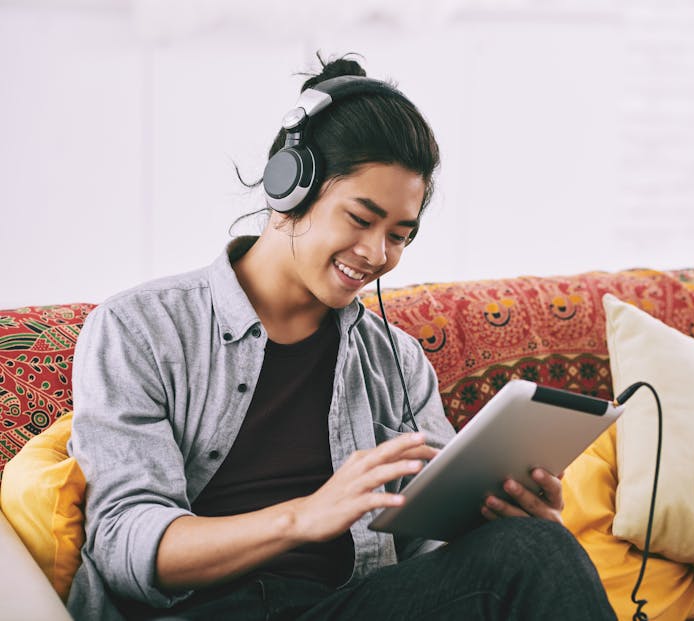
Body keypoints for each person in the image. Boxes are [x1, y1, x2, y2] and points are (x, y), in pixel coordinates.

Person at [67, 55, 616, 621]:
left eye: (399, 235)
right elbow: (124, 544)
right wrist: (303, 516)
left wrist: (504, 526)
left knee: (535, 548)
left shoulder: (395, 361)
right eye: (360, 218)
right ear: (290, 189)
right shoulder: (139, 329)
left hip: (344, 608)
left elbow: (429, 552)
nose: (377, 254)